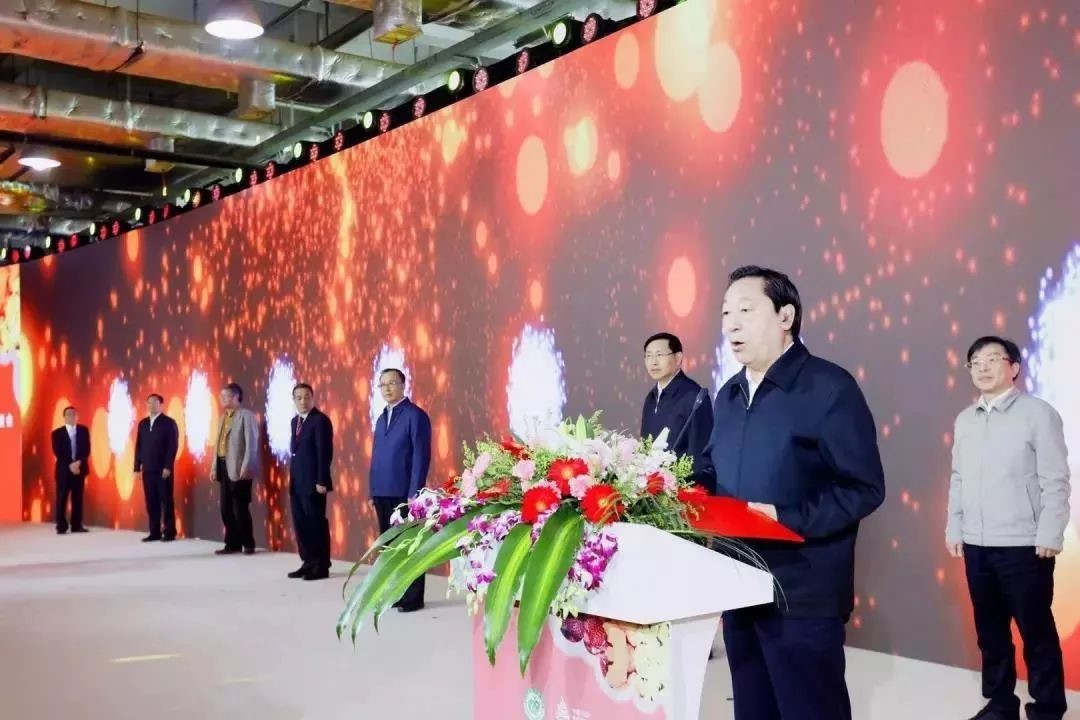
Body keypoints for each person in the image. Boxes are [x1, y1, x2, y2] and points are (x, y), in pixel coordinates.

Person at [704, 265, 885, 720]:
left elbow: (864, 488)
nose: (731, 324)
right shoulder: (728, 395)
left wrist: (784, 516)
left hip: (801, 596)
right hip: (740, 588)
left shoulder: (829, 388)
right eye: (725, 313)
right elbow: (711, 471)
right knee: (753, 710)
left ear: (785, 317)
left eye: (745, 310)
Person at [946, 336, 1070, 720]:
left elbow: (1056, 480)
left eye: (992, 359)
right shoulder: (965, 420)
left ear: (1014, 367)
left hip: (1025, 545)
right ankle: (1000, 705)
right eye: (975, 362)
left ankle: (1048, 709)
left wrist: (1050, 533)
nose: (982, 367)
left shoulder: (1038, 414)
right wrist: (955, 528)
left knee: (1036, 631)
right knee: (990, 632)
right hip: (977, 544)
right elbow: (958, 478)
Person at [369, 368, 432, 612]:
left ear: (403, 385)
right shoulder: (381, 418)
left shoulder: (415, 415)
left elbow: (420, 456)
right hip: (382, 491)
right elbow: (376, 456)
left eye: (392, 383)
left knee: (409, 546)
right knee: (390, 548)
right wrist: (372, 490)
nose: (386, 388)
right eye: (382, 384)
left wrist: (414, 493)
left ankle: (414, 597)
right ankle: (397, 592)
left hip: (404, 493)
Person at [640, 332, 714, 483]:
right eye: (649, 356)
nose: (653, 362)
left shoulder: (694, 397)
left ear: (678, 358)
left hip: (681, 488)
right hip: (653, 488)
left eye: (659, 355)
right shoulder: (651, 398)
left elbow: (699, 455)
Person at [288, 383, 333, 581]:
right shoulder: (295, 421)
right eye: (298, 397)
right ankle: (308, 561)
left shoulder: (320, 420)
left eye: (307, 397)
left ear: (312, 398)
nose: (303, 401)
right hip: (297, 482)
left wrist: (322, 480)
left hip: (314, 483)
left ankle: (321, 565)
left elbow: (325, 453)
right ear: (294, 400)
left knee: (316, 523)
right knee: (301, 524)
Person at [211, 382, 260, 556]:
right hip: (223, 465)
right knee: (225, 508)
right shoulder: (223, 417)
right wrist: (214, 467)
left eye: (225, 396)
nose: (222, 399)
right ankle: (232, 543)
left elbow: (251, 444)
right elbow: (217, 445)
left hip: (240, 467)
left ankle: (248, 543)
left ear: (236, 397)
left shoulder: (246, 416)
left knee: (240, 508)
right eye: (221, 396)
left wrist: (247, 466)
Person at [134, 394, 179, 542]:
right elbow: (138, 446)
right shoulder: (143, 423)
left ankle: (169, 532)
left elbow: (172, 446)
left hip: (163, 470)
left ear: (161, 404)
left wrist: (168, 466)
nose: (152, 405)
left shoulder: (169, 423)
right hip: (147, 469)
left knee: (166, 500)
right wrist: (137, 467)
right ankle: (154, 532)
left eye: (155, 402)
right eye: (149, 402)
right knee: (151, 501)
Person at [51, 406, 90, 534]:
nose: (71, 416)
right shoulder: (57, 433)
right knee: (62, 498)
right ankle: (61, 526)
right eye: (68, 414)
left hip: (79, 469)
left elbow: (86, 449)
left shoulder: (83, 431)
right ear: (64, 417)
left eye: (74, 414)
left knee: (77, 498)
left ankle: (76, 525)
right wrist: (71, 464)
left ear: (77, 416)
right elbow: (58, 452)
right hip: (64, 471)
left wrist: (78, 463)